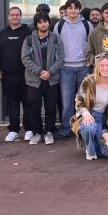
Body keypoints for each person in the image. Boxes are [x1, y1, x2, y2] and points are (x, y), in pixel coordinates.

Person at [22, 12, 64, 145]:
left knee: (50, 108)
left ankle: (49, 132)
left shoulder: (56, 39)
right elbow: (25, 58)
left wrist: (49, 72)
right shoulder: (29, 39)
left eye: (45, 21)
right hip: (34, 80)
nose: (43, 24)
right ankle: (37, 133)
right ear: (36, 25)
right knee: (34, 108)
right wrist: (39, 71)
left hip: (51, 79)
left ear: (49, 23)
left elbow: (60, 58)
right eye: (40, 22)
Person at [54, 0, 93, 138]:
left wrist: (90, 61)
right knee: (67, 101)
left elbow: (91, 44)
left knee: (85, 99)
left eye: (75, 8)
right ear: (66, 10)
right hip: (65, 68)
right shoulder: (59, 25)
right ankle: (66, 128)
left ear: (79, 10)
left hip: (84, 67)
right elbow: (55, 45)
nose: (73, 10)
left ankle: (84, 127)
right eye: (70, 8)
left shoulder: (87, 24)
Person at [72, 55, 108, 160]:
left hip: (103, 120)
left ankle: (94, 143)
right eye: (102, 65)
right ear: (97, 68)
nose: (105, 68)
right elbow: (78, 100)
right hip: (88, 114)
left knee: (107, 152)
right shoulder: (88, 81)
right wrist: (85, 113)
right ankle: (89, 149)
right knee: (89, 128)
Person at [0, 6, 32, 142]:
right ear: (8, 16)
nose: (15, 17)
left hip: (26, 75)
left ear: (21, 16)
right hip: (8, 76)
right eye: (12, 14)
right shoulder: (2, 33)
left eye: (17, 14)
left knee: (28, 103)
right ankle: (14, 130)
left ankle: (29, 129)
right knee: (12, 104)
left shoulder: (28, 32)